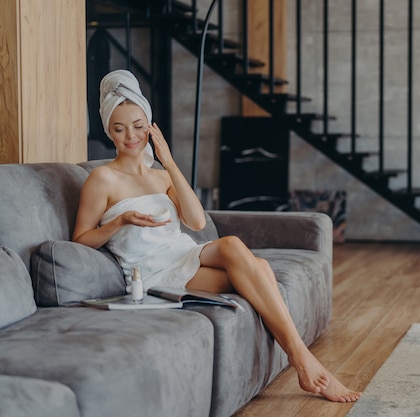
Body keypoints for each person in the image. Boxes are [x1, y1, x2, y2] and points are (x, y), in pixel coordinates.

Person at [73, 69, 361, 403]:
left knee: (251, 263)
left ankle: (300, 359)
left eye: (138, 127)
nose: (131, 137)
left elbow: (195, 222)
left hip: (184, 254)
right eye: (119, 129)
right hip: (153, 273)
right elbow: (80, 239)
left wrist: (169, 162)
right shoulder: (102, 179)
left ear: (150, 126)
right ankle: (302, 358)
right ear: (109, 130)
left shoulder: (161, 175)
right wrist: (119, 221)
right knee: (258, 269)